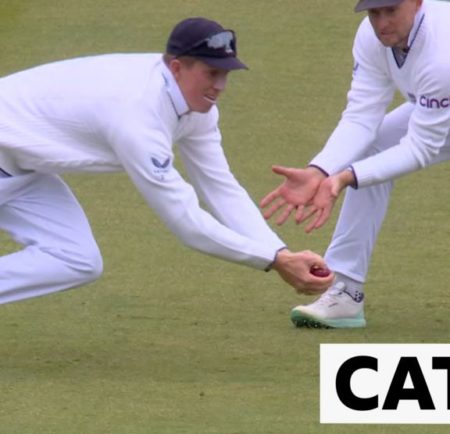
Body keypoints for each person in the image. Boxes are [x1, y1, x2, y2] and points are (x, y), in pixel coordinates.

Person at [0, 17, 334, 306]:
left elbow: (221, 188)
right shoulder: (137, 114)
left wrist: (281, 254)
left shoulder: (196, 110)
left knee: (76, 258)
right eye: (211, 73)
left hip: (21, 167)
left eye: (226, 74)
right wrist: (272, 261)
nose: (220, 86)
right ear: (177, 67)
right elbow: (186, 222)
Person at [261, 0, 450, 328]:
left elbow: (420, 147)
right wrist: (319, 171)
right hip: (439, 107)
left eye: (391, 10)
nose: (382, 23)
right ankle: (345, 292)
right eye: (375, 12)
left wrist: (346, 177)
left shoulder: (441, 51)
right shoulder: (372, 37)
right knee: (372, 147)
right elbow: (362, 117)